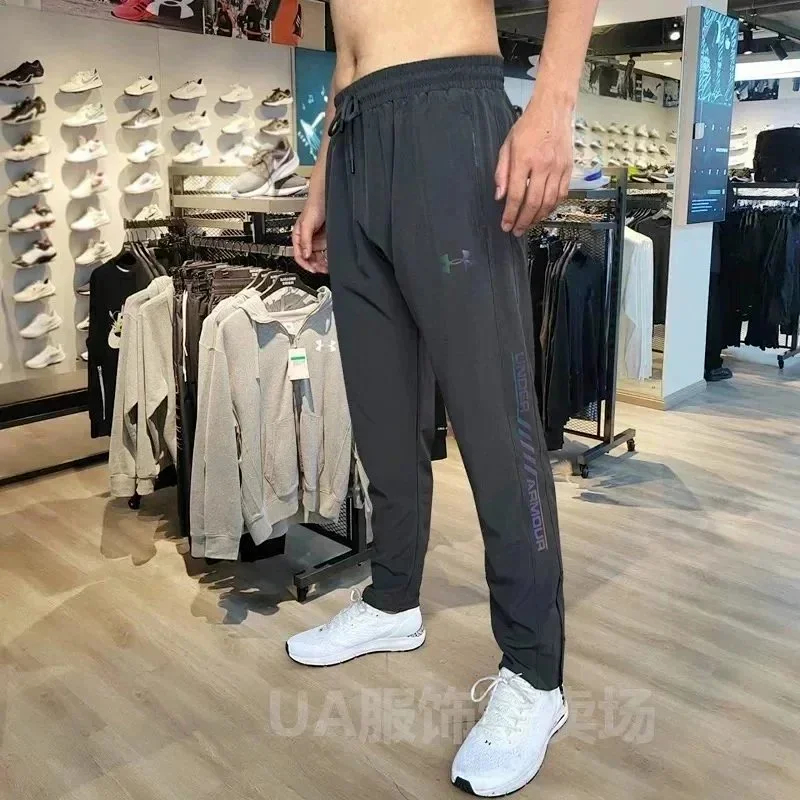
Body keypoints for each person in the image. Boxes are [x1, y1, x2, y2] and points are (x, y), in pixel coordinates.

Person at [290, 1, 598, 795]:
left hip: (447, 115)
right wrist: (324, 180)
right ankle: (393, 600)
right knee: (383, 413)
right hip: (354, 135)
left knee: (495, 424)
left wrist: (553, 101)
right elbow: (346, 47)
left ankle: (534, 673)